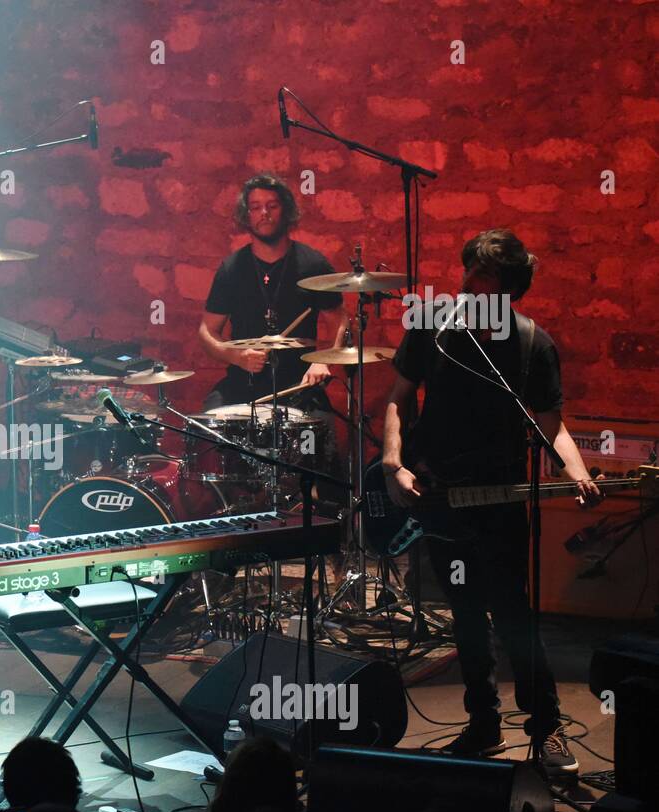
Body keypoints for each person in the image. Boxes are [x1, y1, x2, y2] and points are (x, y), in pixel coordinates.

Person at [382, 229, 602, 772]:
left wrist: (576, 471)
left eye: (483, 277)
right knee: (464, 615)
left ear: (508, 289)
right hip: (441, 494)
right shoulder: (431, 327)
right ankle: (482, 728)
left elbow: (553, 426)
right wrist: (393, 463)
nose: (468, 282)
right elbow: (396, 400)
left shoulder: (532, 345)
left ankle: (546, 728)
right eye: (468, 271)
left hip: (502, 498)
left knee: (512, 615)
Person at [196, 173, 348, 411]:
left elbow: (339, 320)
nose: (264, 213)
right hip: (243, 383)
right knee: (209, 423)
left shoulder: (313, 265)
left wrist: (322, 361)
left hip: (299, 384)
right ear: (247, 215)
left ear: (285, 211)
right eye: (256, 207)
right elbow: (208, 331)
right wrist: (237, 357)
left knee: (320, 434)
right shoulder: (232, 269)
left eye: (272, 206)